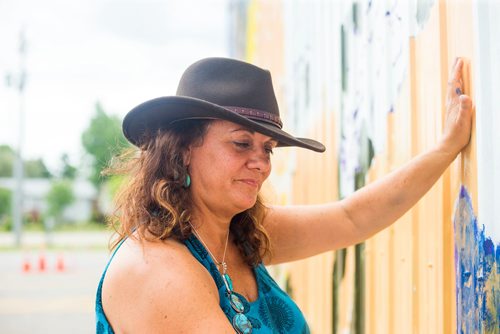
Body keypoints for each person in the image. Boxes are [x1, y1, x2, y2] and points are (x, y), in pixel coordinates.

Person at [95, 57, 472, 333]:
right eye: (242, 144)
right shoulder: (157, 269)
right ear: (183, 150)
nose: (260, 163)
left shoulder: (233, 233)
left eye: (268, 148)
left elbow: (352, 219)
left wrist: (445, 148)